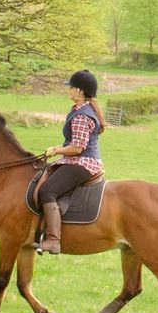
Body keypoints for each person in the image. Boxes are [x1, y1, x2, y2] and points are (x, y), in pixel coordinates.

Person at [35, 70, 105, 254]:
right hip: (77, 161)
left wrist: (55, 150)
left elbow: (77, 148)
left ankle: (53, 241)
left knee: (47, 190)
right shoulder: (80, 109)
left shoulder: (82, 115)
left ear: (80, 91)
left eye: (71, 87)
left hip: (82, 163)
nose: (69, 90)